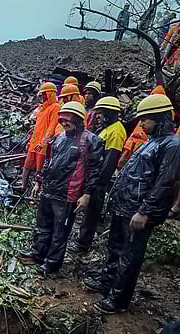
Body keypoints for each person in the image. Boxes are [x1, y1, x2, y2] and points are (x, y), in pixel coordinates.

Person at [84, 94, 180, 314]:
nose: (142, 124)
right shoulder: (151, 143)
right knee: (115, 247)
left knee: (130, 255)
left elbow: (164, 182)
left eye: (146, 119)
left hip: (138, 211)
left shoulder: (172, 145)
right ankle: (106, 283)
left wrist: (144, 211)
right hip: (125, 207)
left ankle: (118, 299)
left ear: (160, 118)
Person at [20, 102, 104, 275]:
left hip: (68, 194)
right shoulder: (59, 138)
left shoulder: (90, 140)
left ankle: (52, 263)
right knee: (43, 225)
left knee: (60, 231)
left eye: (68, 120)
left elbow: (95, 170)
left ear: (78, 119)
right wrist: (38, 182)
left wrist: (87, 193)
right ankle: (38, 253)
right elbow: (49, 162)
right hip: (50, 189)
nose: (64, 123)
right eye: (62, 120)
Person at [69, 97, 126, 254]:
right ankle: (81, 239)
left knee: (92, 212)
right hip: (92, 176)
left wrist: (97, 182)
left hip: (98, 180)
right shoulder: (108, 128)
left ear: (110, 113)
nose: (98, 116)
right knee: (86, 211)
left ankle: (83, 244)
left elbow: (110, 160)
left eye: (101, 113)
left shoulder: (116, 131)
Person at [21, 82, 61, 190]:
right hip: (35, 141)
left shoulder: (55, 107)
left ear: (50, 94)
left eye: (44, 94)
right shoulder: (42, 108)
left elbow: (52, 127)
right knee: (28, 164)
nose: (42, 96)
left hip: (42, 144)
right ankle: (22, 186)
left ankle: (37, 187)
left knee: (40, 166)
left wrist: (44, 142)